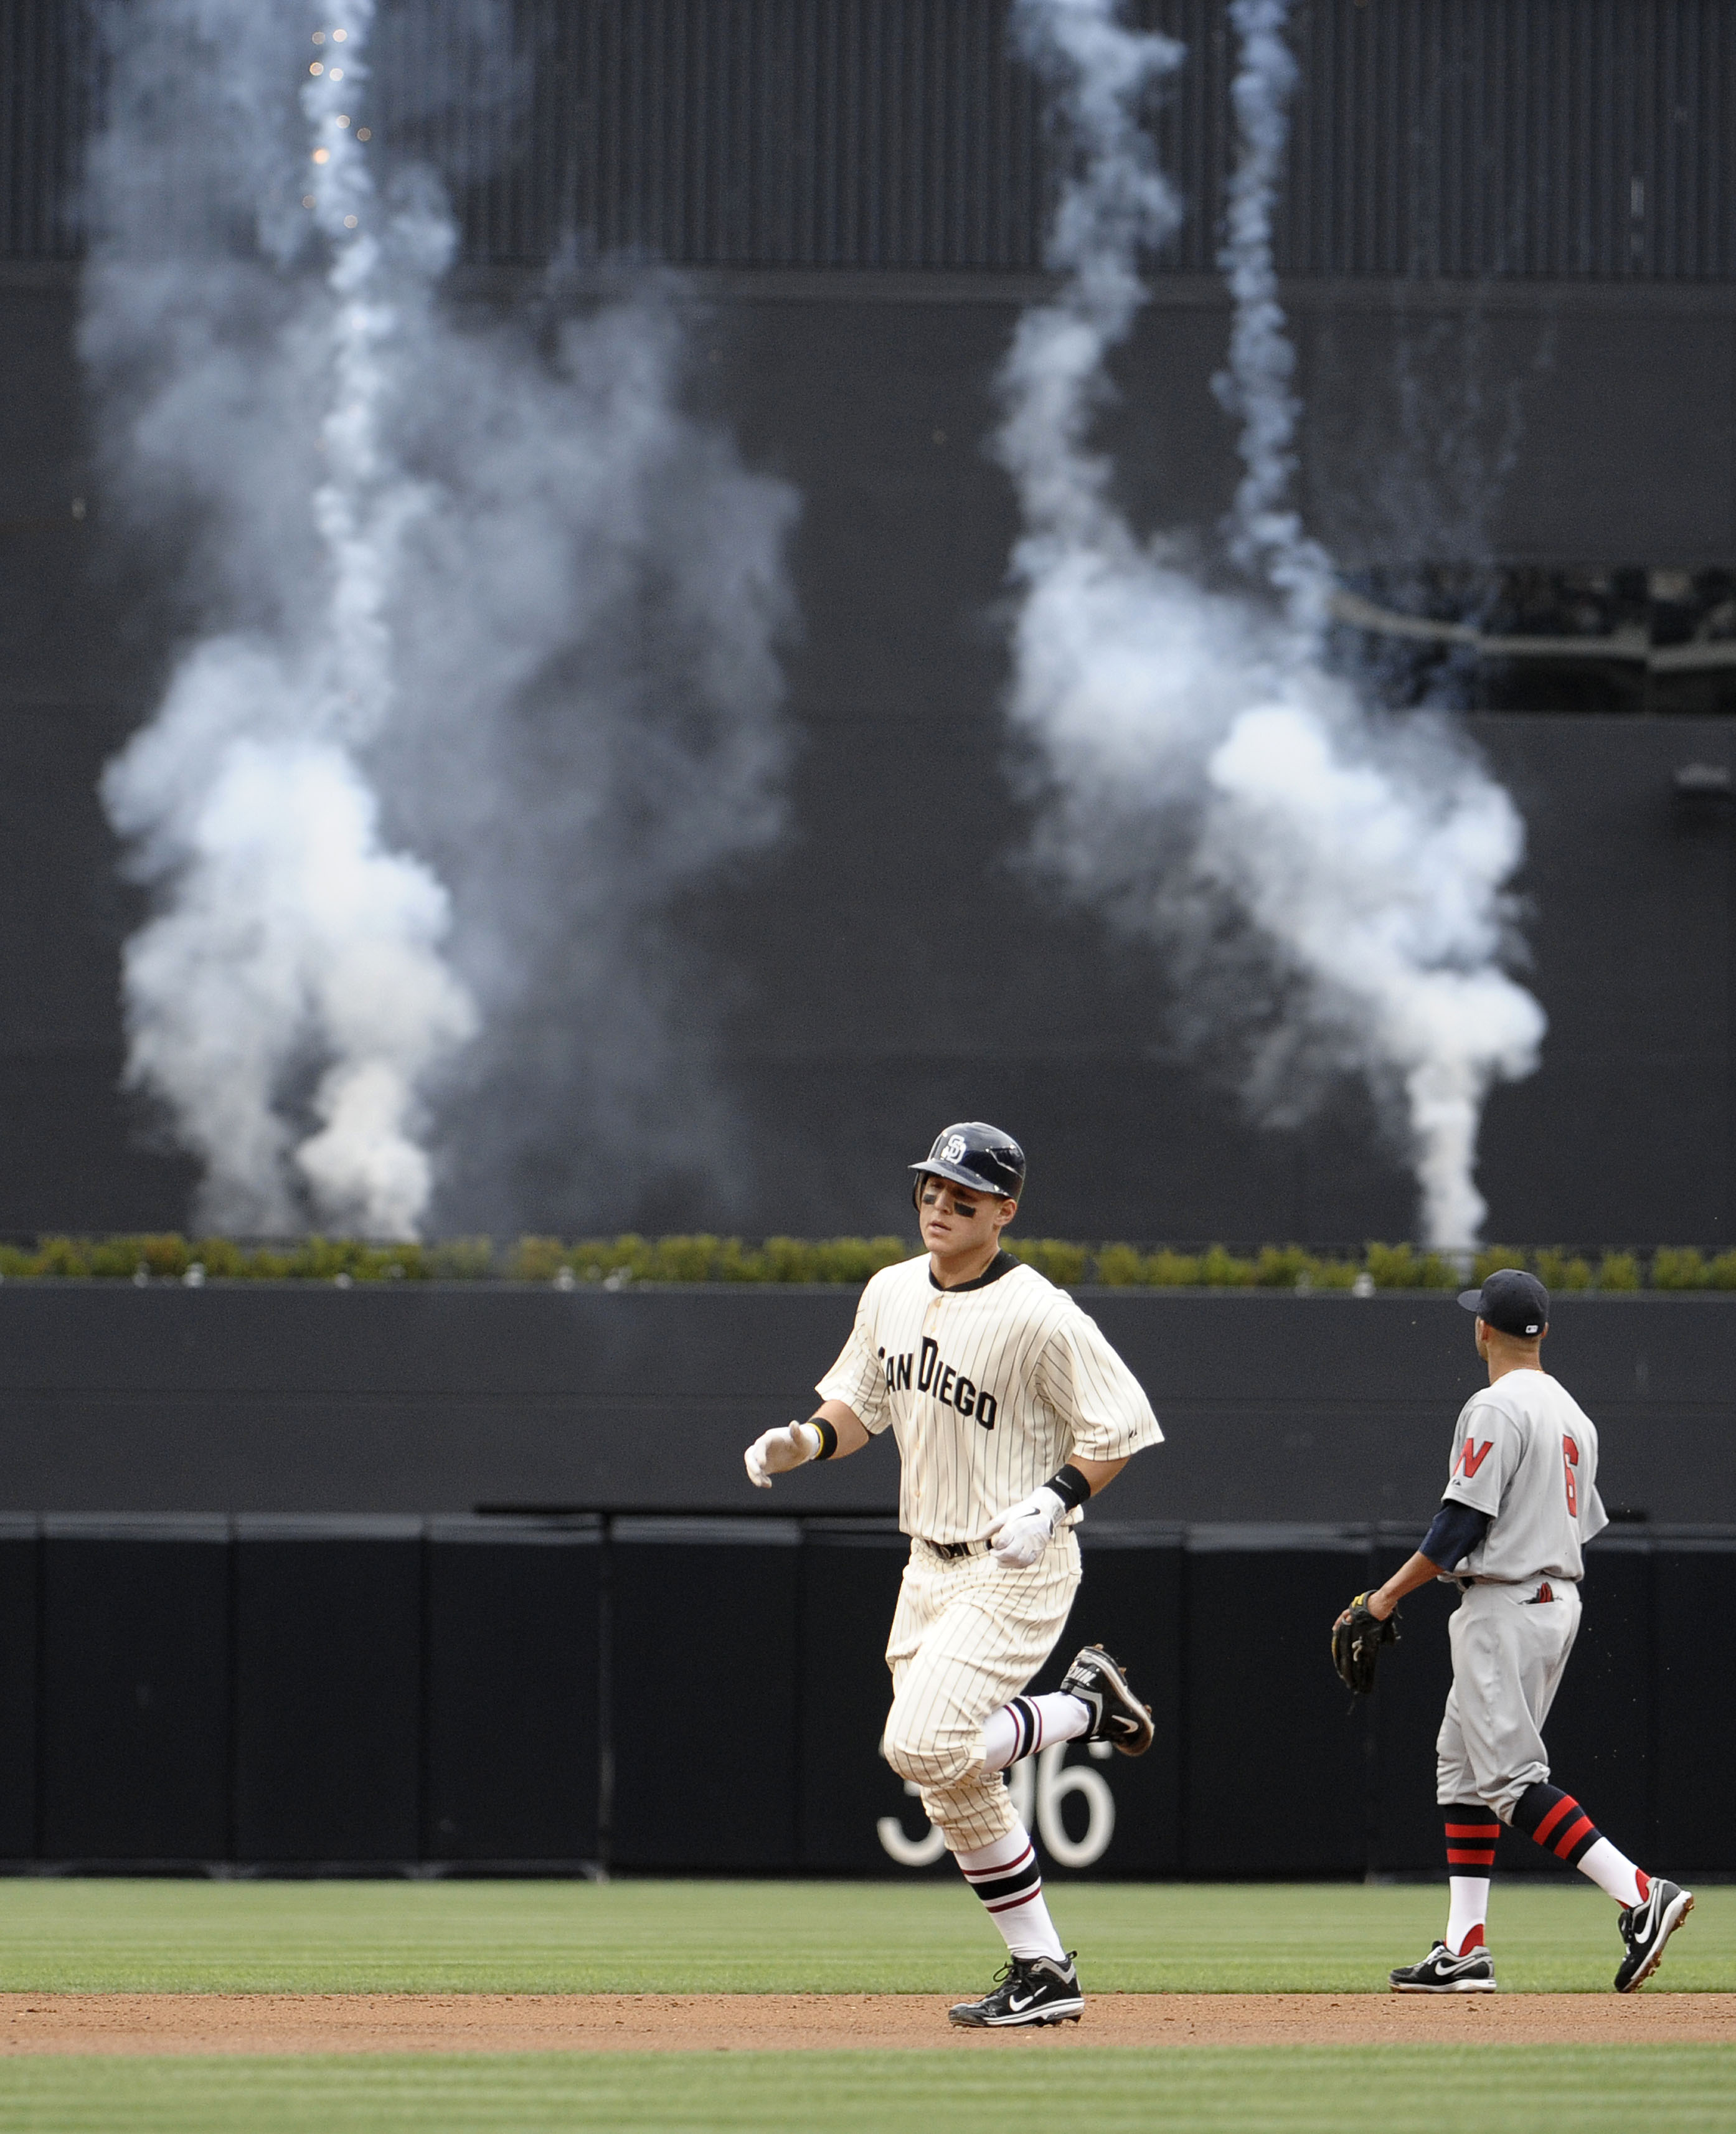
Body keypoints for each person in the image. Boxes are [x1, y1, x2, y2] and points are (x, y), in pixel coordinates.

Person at [744, 1122, 1164, 2028]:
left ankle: (1086, 1708)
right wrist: (806, 1439)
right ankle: (1045, 1968)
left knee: (922, 1744)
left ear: (1005, 1211)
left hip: (1017, 1559)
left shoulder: (1041, 1313)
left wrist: (1052, 1500)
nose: (940, 1204)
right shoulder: (892, 1289)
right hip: (926, 1565)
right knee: (948, 1774)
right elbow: (859, 1405)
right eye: (931, 1188)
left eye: (963, 1196)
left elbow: (1121, 1426)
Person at [1339, 1267, 1692, 1994]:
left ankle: (1638, 1893)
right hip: (1553, 1596)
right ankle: (1465, 1946)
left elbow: (1459, 1522)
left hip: (1506, 1603)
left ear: (1482, 1330)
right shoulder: (1572, 1413)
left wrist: (1382, 1598)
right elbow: (1580, 1520)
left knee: (1508, 1778)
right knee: (1459, 1766)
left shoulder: (1495, 1406)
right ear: (1544, 1332)